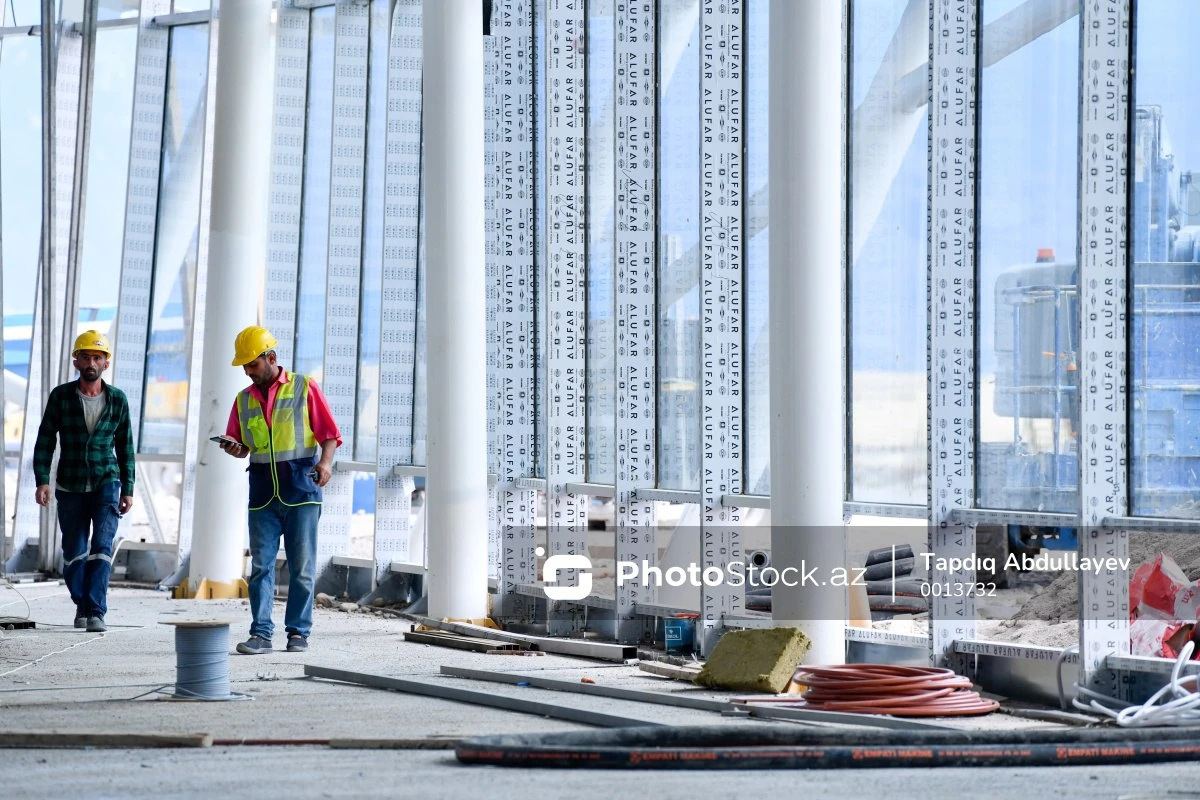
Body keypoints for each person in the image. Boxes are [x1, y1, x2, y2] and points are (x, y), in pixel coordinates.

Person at [219, 326, 341, 655]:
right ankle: (260, 634)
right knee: (260, 568)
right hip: (262, 497)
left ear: (270, 358)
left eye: (252, 364)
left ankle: (298, 633)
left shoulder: (304, 387)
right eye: (244, 366)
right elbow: (243, 446)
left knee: (302, 568)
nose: (247, 371)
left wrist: (326, 463)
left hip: (302, 491)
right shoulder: (243, 400)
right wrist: (234, 448)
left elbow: (329, 433)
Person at [33, 330, 135, 633]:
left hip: (107, 481)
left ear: (106, 363)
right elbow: (45, 441)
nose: (92, 362)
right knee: (74, 551)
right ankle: (83, 602)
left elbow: (126, 447)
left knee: (102, 547)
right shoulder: (61, 396)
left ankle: (96, 611)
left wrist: (127, 488)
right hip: (70, 484)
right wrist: (42, 480)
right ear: (76, 361)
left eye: (98, 357)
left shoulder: (117, 399)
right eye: (86, 356)